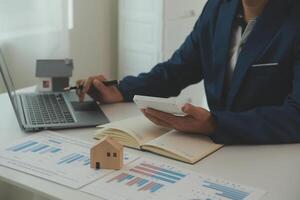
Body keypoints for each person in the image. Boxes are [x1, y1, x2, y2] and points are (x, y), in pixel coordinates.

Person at [77, 0, 300, 145]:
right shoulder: (217, 8)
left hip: (275, 154)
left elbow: (296, 115)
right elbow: (177, 69)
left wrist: (216, 123)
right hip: (216, 151)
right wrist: (120, 91)